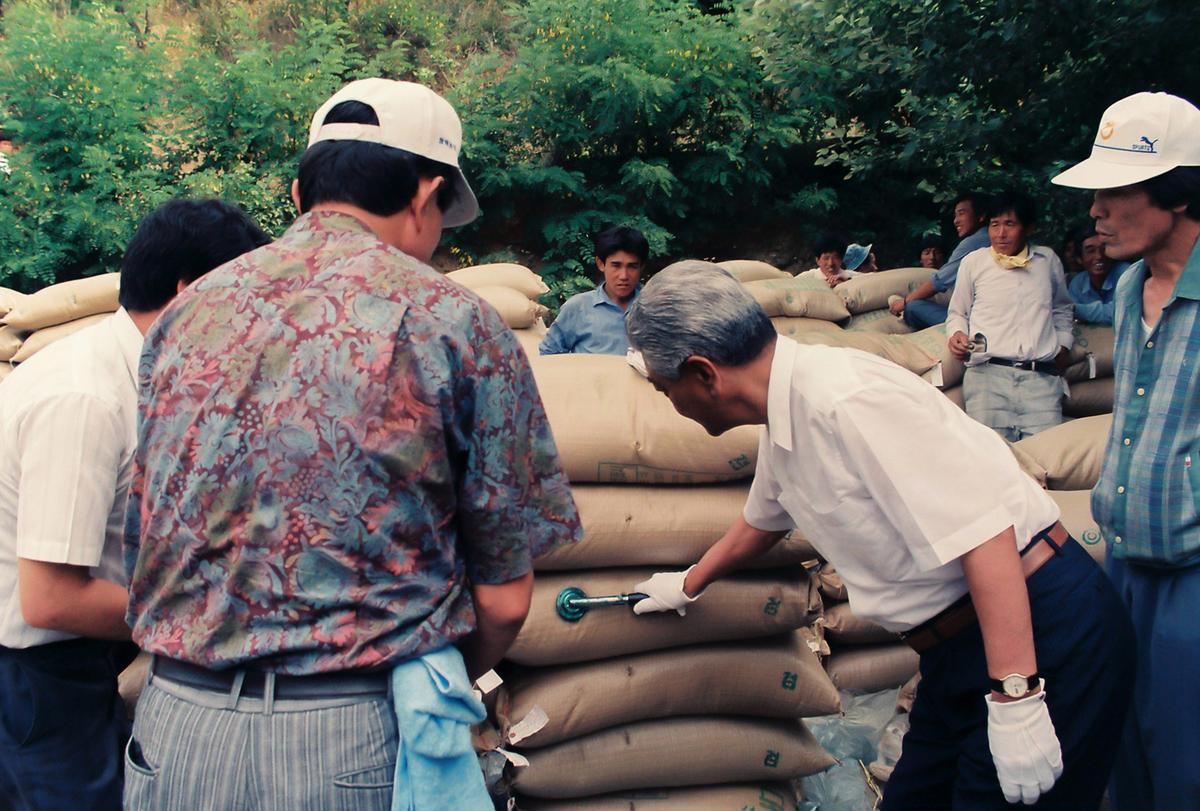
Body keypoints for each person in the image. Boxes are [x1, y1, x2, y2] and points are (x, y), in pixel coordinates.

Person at [121, 79, 581, 811]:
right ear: (426, 194)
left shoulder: (184, 316)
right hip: (350, 736)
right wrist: (432, 678)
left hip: (175, 726)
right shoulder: (453, 320)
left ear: (299, 194)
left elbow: (143, 537)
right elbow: (503, 599)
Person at [624, 261, 1133, 809]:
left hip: (1040, 632)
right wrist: (687, 584)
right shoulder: (787, 414)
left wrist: (1017, 696)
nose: (670, 403)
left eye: (665, 388)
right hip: (955, 649)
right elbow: (763, 520)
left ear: (704, 374)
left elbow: (983, 533)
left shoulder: (846, 399)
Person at [0, 197, 269, 811]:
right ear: (190, 292)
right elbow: (51, 598)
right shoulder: (85, 400)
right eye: (244, 302)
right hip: (33, 679)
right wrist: (211, 620)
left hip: (61, 667)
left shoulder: (132, 375)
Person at [1052, 90, 1200, 811]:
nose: (1096, 211)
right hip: (1126, 560)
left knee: (1186, 767)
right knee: (1125, 757)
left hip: (1193, 576)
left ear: (1178, 192)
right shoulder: (1132, 284)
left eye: (1115, 192)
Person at [946, 192, 1074, 442]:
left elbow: (1062, 308)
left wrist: (1063, 346)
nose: (1000, 234)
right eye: (994, 225)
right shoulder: (974, 262)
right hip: (987, 378)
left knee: (1043, 456)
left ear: (1029, 228)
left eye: (1010, 224)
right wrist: (957, 334)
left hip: (1041, 380)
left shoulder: (1046, 260)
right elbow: (958, 312)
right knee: (991, 457)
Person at [539, 225, 649, 355]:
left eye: (632, 266)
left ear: (642, 267)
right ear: (601, 264)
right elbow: (549, 354)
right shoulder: (578, 308)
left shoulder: (653, 307)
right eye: (616, 265)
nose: (623, 276)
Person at [890, 192, 991, 327]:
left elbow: (938, 282)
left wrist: (904, 302)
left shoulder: (974, 242)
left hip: (976, 322)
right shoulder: (989, 238)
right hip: (985, 316)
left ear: (981, 216)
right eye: (955, 215)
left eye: (961, 213)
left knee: (913, 307)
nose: (956, 220)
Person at [1067, 225, 1130, 324]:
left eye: (1103, 249)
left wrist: (1076, 310)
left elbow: (1120, 313)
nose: (1099, 256)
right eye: (1091, 251)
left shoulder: (1126, 273)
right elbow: (1067, 316)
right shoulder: (1078, 283)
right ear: (1079, 259)